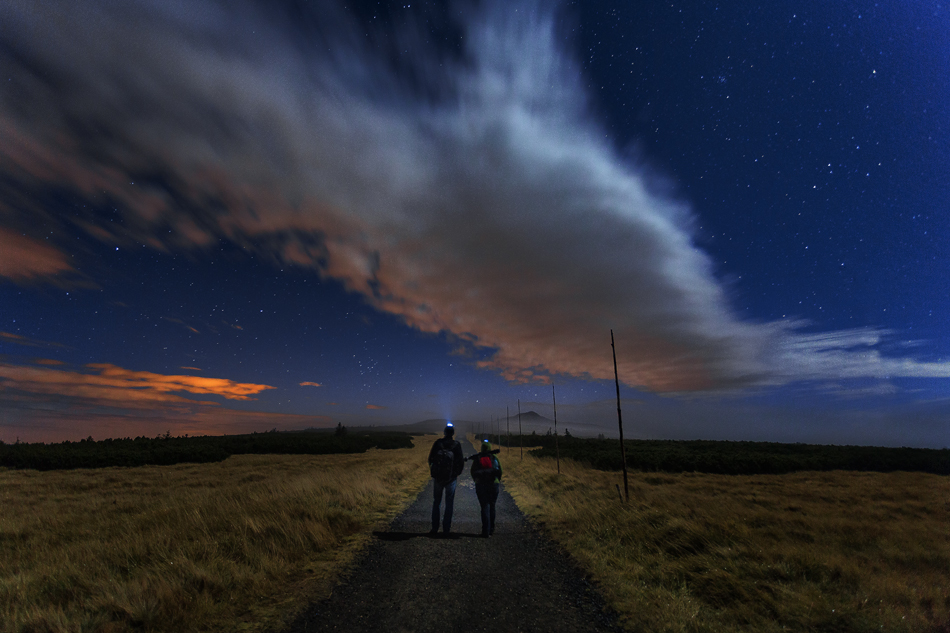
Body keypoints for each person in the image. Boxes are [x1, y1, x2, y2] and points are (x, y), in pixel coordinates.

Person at [427, 423, 464, 536]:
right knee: (449, 503)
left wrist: (434, 472)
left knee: (436, 502)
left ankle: (434, 528)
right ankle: (446, 529)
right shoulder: (456, 445)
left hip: (438, 478)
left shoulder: (438, 443)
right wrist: (456, 474)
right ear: (453, 433)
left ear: (444, 432)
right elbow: (461, 462)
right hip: (451, 478)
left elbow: (430, 459)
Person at [470, 439, 502, 537]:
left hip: (481, 485)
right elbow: (500, 470)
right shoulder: (494, 457)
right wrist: (497, 480)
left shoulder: (478, 458)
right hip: (493, 484)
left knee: (484, 506)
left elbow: (472, 471)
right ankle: (491, 530)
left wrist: (477, 480)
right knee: (492, 506)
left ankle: (485, 531)